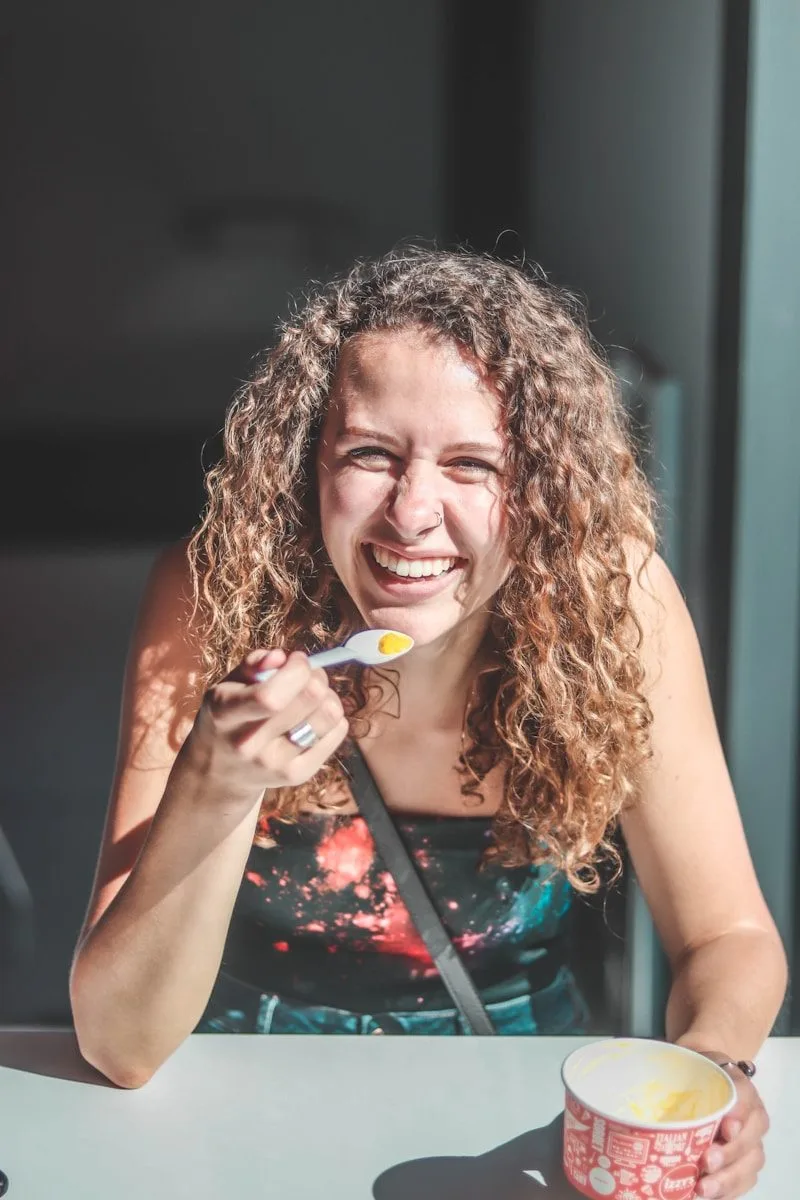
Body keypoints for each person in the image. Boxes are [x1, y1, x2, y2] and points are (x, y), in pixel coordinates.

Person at [70, 248, 784, 1197]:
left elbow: (727, 938)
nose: (412, 514)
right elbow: (119, 1046)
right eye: (370, 453)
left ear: (542, 488)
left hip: (510, 1130)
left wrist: (715, 1069)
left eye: (471, 466)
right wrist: (217, 783)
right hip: (223, 1116)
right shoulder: (214, 599)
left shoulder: (616, 607)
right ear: (304, 461)